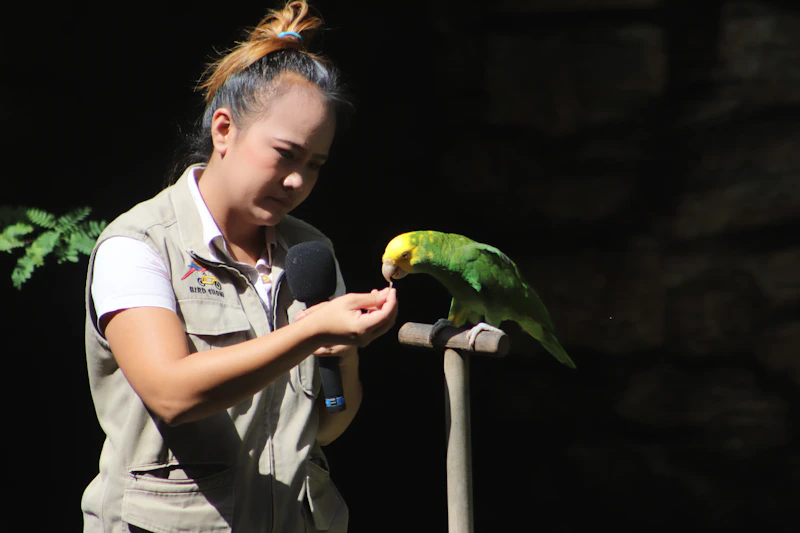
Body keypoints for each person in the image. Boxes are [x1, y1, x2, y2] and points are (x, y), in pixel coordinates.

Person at [81, 2, 398, 532]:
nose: (297, 180)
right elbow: (173, 393)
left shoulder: (310, 251)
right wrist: (312, 330)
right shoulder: (138, 245)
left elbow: (326, 426)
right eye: (285, 154)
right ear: (223, 130)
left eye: (315, 164)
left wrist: (341, 356)